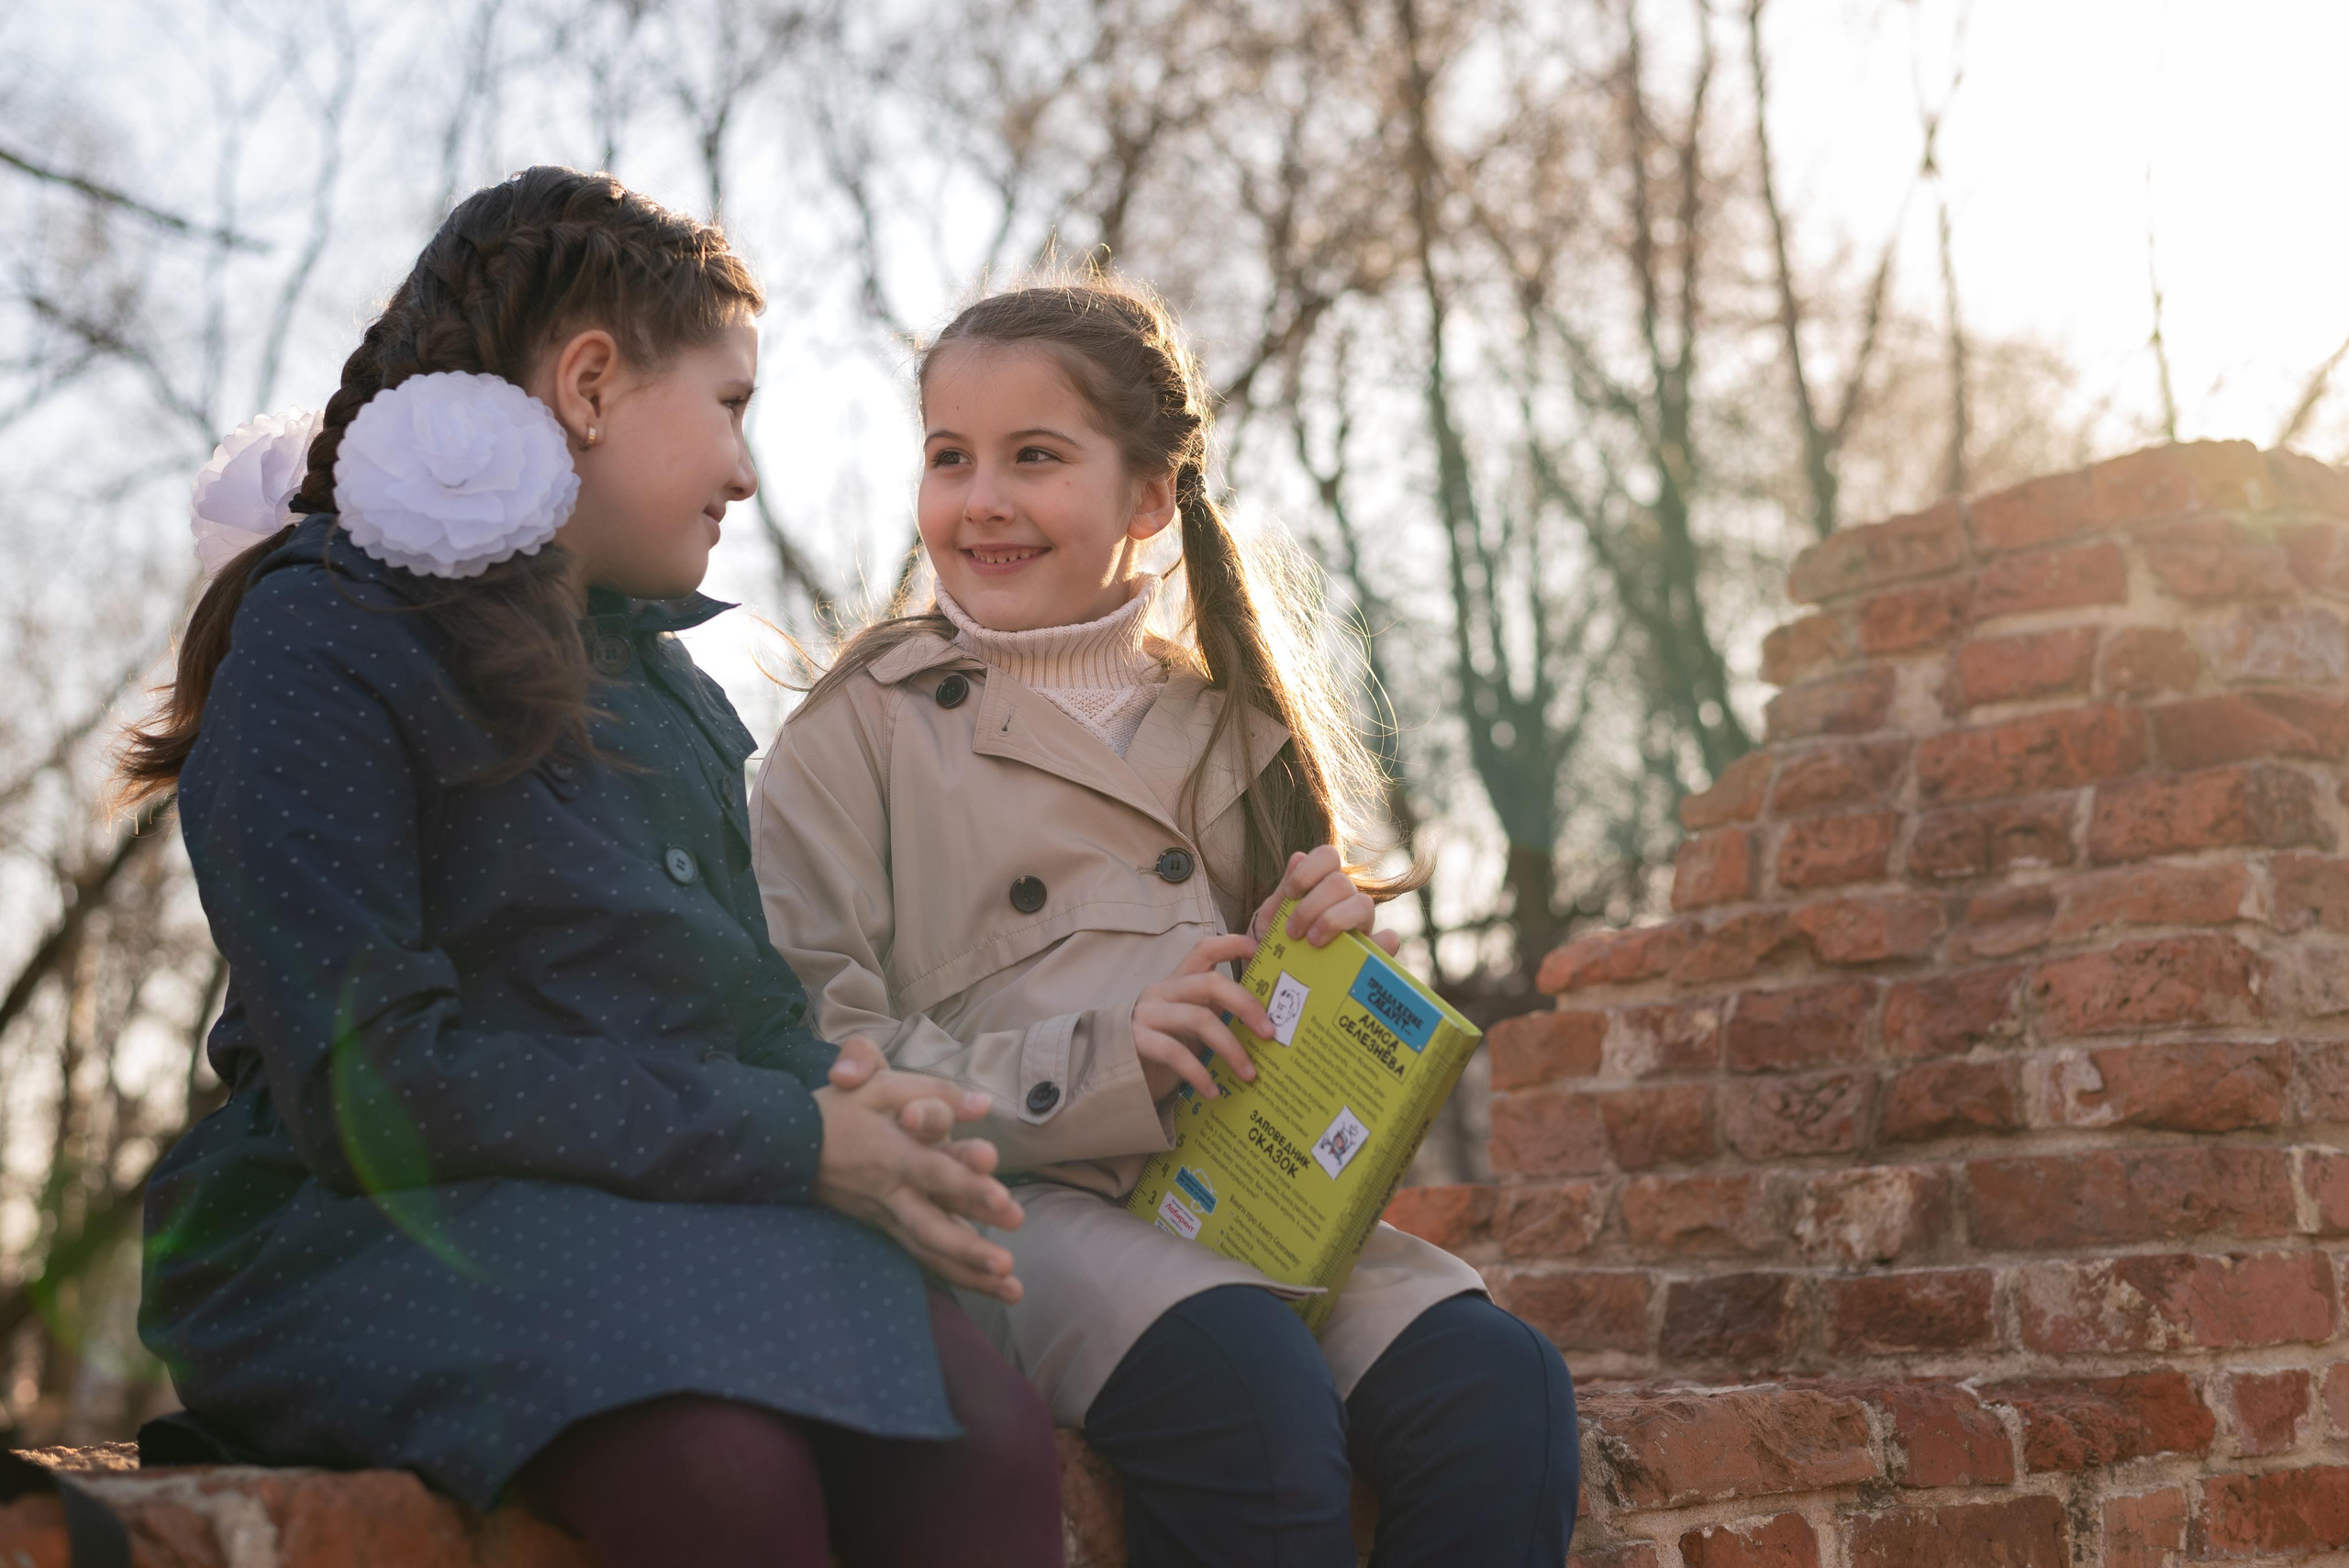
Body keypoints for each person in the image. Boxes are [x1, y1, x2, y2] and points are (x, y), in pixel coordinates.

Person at [121, 166, 1064, 1568]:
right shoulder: (318, 641)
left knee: (979, 1432)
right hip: (359, 1223)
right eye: (730, 405)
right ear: (589, 384)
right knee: (724, 1477)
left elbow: (739, 1015)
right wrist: (792, 1137)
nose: (746, 470)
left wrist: (867, 1111)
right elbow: (373, 1079)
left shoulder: (672, 692)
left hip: (656, 1207)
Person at [754, 275, 1579, 1568]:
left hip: (1240, 1201)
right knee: (1243, 1390)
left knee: (1501, 1389)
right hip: (1009, 1208)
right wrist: (1105, 1060)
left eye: (1034, 457)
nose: (981, 500)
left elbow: (1291, 1057)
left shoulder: (1235, 728)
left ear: (1147, 497)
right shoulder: (856, 731)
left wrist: (1329, 973)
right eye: (950, 457)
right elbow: (817, 1048)